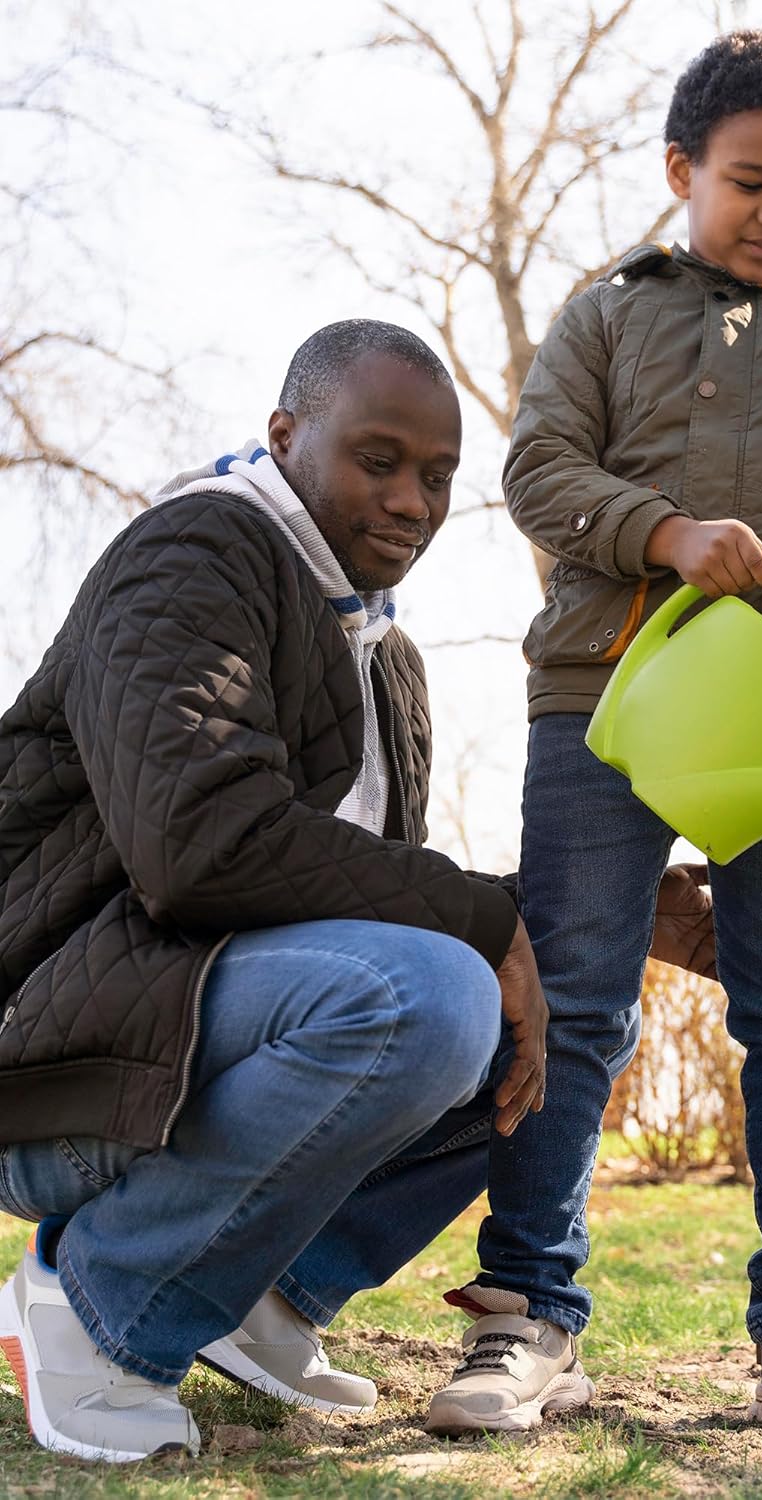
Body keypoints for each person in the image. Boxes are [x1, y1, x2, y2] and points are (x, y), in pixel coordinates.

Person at [0, 319, 711, 1464]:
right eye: (378, 460)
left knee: (570, 992)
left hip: (182, 1031)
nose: (412, 501)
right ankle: (96, 1303)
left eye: (437, 477)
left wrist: (572, 923)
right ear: (287, 435)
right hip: (56, 1065)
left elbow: (349, 897)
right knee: (427, 997)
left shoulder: (384, 656)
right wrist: (484, 920)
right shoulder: (194, 554)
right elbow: (201, 847)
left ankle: (267, 1295)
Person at [426, 30, 762, 1438]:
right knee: (576, 996)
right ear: (681, 170)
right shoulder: (603, 314)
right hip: (602, 696)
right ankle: (528, 1316)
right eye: (750, 181)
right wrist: (664, 532)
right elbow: (538, 468)